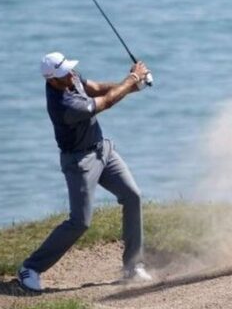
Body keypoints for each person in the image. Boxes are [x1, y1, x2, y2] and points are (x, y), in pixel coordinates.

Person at [17, 52, 153, 292]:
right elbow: (106, 102)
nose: (70, 75)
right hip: (80, 162)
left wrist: (135, 86)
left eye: (69, 70)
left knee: (133, 196)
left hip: (103, 150)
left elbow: (98, 88)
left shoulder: (69, 76)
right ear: (51, 80)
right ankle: (31, 267)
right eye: (63, 74)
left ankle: (133, 265)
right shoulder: (63, 105)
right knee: (80, 222)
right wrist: (132, 78)